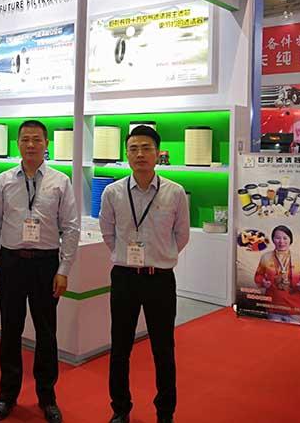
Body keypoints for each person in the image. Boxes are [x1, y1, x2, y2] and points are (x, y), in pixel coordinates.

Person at [0, 120, 80, 423]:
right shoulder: (4, 180)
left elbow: (71, 227)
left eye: (36, 139)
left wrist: (63, 269)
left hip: (45, 264)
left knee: (46, 333)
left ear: (46, 144)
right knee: (10, 331)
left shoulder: (60, 181)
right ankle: (7, 395)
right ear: (18, 143)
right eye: (25, 139)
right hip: (11, 262)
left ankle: (47, 397)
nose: (30, 145)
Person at [99, 125, 190, 423]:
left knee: (163, 349)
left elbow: (182, 235)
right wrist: (126, 257)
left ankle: (165, 412)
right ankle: (120, 409)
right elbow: (108, 232)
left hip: (159, 279)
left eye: (146, 148)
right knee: (120, 348)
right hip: (124, 278)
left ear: (157, 153)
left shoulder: (175, 192)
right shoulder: (113, 192)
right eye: (134, 148)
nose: (140, 154)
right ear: (126, 154)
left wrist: (160, 257)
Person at [254, 225, 300, 323]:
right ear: (273, 240)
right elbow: (258, 276)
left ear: (290, 240)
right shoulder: (266, 257)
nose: (281, 242)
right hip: (273, 305)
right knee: (274, 331)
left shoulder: (299, 259)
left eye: (285, 238)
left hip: (294, 307)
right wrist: (262, 283)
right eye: (277, 238)